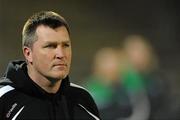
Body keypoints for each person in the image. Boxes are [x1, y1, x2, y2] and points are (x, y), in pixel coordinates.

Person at [0, 11, 100, 120]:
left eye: (66, 45)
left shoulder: (82, 98)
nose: (61, 54)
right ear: (28, 54)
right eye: (50, 46)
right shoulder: (5, 99)